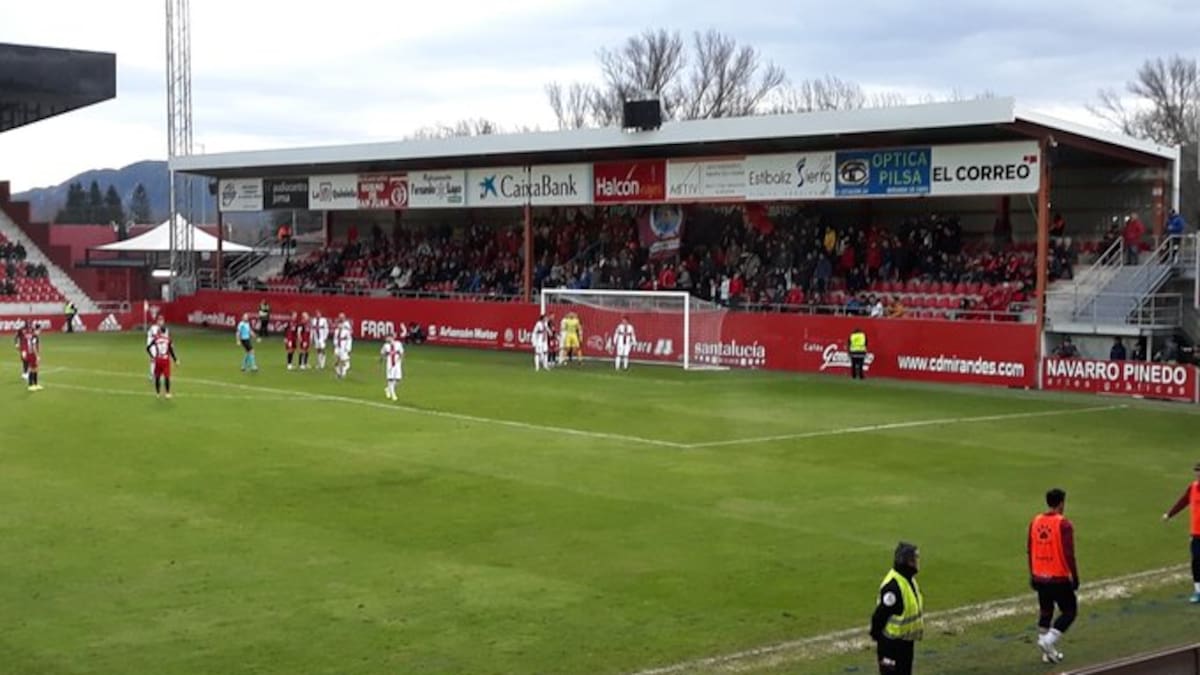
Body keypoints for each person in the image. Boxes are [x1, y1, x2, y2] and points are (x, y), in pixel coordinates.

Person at [1028, 488, 1079, 664]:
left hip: (1039, 576)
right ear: (1062, 503)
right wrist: (1075, 576)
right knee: (1070, 611)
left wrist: (1032, 574)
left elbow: (1030, 549)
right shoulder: (1064, 524)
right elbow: (1069, 553)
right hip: (1058, 577)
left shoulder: (1035, 521)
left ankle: (1047, 653)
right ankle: (1048, 641)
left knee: (1046, 612)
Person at [869, 542, 923, 675]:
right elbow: (880, 615)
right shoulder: (893, 587)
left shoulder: (908, 579)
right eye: (913, 559)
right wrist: (877, 636)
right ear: (906, 562)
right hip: (891, 645)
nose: (917, 562)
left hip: (905, 643)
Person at [1161, 462, 1200, 603]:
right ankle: (1198, 591)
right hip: (1196, 533)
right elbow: (1183, 501)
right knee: (1196, 562)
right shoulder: (1193, 487)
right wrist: (1169, 514)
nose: (1198, 474)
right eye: (1197, 472)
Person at [146, 326, 179, 399]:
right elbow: (171, 351)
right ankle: (167, 393)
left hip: (158, 360)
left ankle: (157, 393)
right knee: (167, 377)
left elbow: (147, 348)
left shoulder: (156, 339)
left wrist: (152, 356)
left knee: (157, 377)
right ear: (165, 331)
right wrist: (175, 360)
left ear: (160, 331)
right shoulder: (168, 339)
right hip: (166, 360)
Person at [379, 332, 404, 401]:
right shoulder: (385, 346)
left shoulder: (398, 344)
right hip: (390, 365)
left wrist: (400, 359)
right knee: (390, 379)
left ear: (392, 337)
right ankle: (393, 394)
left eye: (388, 337)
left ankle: (388, 389)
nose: (386, 339)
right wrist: (381, 359)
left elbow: (402, 352)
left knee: (398, 379)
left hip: (397, 364)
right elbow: (382, 353)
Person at [333, 313, 353, 379]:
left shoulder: (346, 331)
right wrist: (335, 344)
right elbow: (335, 338)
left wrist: (348, 348)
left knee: (343, 360)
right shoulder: (336, 331)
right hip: (337, 347)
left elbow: (349, 339)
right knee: (336, 360)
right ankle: (338, 373)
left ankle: (343, 373)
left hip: (343, 347)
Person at [23, 326, 42, 391]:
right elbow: (33, 347)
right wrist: (37, 356)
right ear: (36, 330)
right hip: (32, 354)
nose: (40, 331)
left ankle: (36, 384)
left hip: (31, 354)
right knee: (32, 369)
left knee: (35, 369)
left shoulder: (33, 336)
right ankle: (30, 385)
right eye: (39, 330)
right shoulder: (34, 337)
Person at [146, 316, 164, 380]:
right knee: (153, 360)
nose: (161, 322)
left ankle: (157, 374)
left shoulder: (162, 328)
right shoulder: (154, 327)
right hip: (152, 345)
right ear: (157, 321)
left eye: (162, 320)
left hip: (157, 345)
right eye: (160, 320)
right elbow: (155, 336)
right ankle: (152, 375)